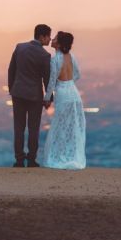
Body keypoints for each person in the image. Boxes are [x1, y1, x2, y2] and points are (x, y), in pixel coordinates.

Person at [7, 24, 52, 167]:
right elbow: (47, 79)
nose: (50, 39)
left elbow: (11, 70)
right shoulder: (45, 55)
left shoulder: (19, 47)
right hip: (35, 97)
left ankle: (19, 160)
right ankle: (32, 159)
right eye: (48, 36)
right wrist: (48, 98)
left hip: (18, 93)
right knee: (34, 128)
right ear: (42, 36)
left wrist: (12, 89)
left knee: (18, 128)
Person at [40, 31, 86, 170]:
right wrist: (69, 82)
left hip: (63, 95)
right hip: (74, 94)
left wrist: (47, 99)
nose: (52, 40)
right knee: (73, 128)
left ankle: (59, 156)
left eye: (55, 39)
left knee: (60, 128)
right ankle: (72, 156)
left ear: (59, 44)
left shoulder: (55, 59)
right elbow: (77, 75)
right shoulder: (71, 57)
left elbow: (52, 82)